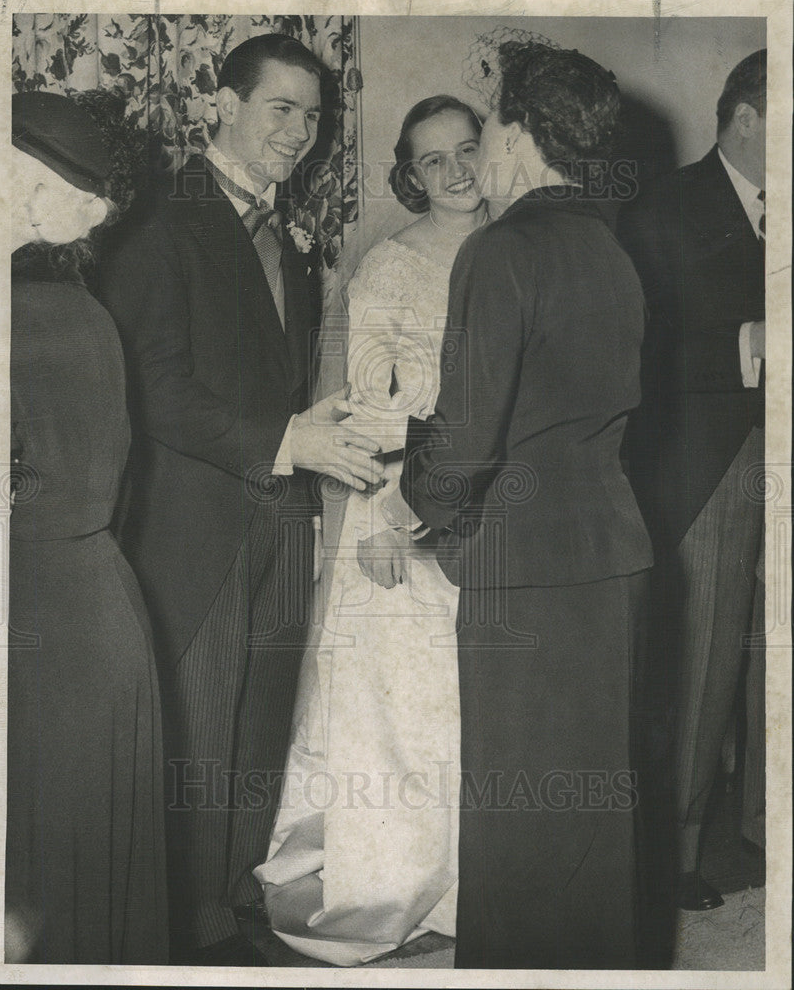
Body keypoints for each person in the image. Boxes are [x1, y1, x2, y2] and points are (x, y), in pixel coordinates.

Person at [98, 34, 383, 965]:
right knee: (201, 726)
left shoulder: (285, 232)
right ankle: (186, 930)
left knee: (260, 722)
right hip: (195, 525)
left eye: (312, 115)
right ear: (219, 105)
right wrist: (282, 437)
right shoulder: (157, 218)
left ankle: (230, 901)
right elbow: (151, 381)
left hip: (276, 514)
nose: (300, 133)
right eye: (280, 109)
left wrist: (310, 416)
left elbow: (260, 380)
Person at [391, 42, 654, 969]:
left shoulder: (501, 251)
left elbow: (465, 443)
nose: (485, 137)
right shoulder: (609, 249)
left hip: (525, 570)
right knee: (589, 811)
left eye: (493, 119)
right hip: (614, 558)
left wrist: (404, 500)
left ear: (522, 134)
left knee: (516, 819)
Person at [254, 95, 488, 965]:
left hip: (498, 509)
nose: (456, 171)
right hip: (399, 515)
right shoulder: (389, 269)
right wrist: (390, 516)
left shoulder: (521, 247)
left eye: (468, 149)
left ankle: (474, 878)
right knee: (404, 706)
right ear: (408, 175)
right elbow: (366, 406)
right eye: (433, 160)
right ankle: (399, 877)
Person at [6, 90, 168, 964]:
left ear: (48, 199)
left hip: (38, 627)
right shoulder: (82, 313)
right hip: (94, 608)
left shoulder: (18, 318)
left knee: (37, 895)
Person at [618, 50, 766, 911]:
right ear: (746, 118)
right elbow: (635, 352)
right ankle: (670, 852)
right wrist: (748, 345)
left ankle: (759, 826)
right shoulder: (663, 208)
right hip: (710, 460)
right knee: (704, 657)